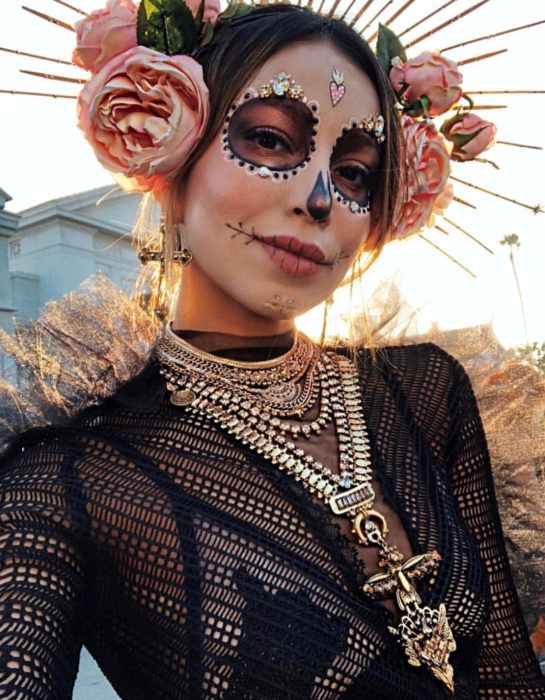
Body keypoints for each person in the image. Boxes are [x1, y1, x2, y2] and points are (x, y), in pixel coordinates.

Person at [1, 2, 544, 698]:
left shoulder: (424, 392)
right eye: (267, 140)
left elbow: (504, 677)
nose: (319, 198)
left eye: (354, 174)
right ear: (168, 160)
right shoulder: (67, 482)